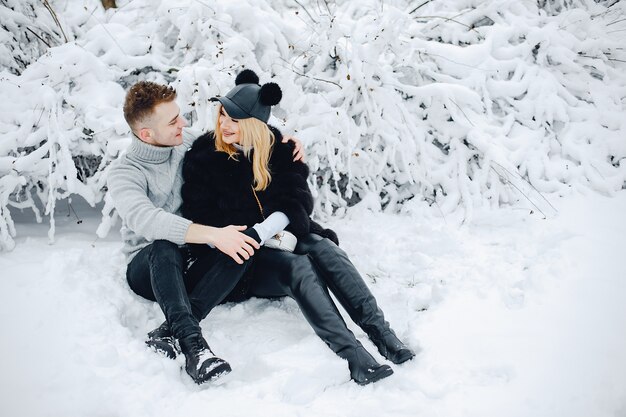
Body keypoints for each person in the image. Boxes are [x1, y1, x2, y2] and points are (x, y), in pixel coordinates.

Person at [181, 69, 414, 385]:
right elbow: (202, 217)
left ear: (255, 124)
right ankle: (354, 356)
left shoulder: (279, 149)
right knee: (298, 266)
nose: (224, 124)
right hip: (238, 263)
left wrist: (262, 232)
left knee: (322, 246)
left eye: (234, 119)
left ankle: (382, 334)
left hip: (271, 237)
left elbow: (296, 204)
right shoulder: (204, 157)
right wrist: (253, 237)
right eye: (222, 114)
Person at [106, 80, 304, 385]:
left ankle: (167, 332)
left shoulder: (185, 142)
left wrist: (282, 144)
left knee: (242, 243)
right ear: (147, 134)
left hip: (195, 260)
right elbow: (148, 220)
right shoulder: (124, 173)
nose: (183, 123)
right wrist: (213, 235)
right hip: (150, 268)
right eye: (173, 121)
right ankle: (194, 348)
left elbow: (240, 138)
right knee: (165, 244)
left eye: (180, 115)